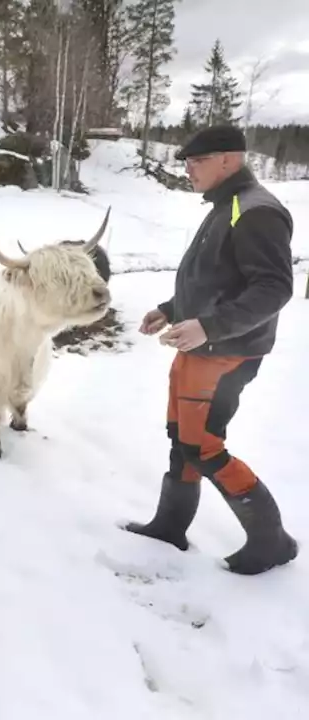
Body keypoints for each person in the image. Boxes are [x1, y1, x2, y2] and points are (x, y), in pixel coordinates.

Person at [124, 125, 298, 575]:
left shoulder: (256, 211)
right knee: (180, 435)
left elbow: (274, 289)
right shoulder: (226, 205)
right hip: (201, 346)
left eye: (196, 162)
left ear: (229, 160)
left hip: (228, 352)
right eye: (186, 162)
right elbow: (215, 278)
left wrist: (209, 327)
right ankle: (170, 525)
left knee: (203, 444)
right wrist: (171, 309)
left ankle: (270, 540)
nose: (187, 170)